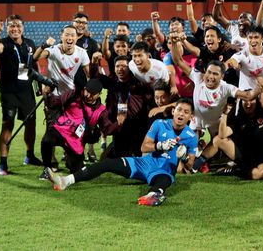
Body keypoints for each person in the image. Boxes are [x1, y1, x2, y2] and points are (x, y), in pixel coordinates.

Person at [47, 98, 199, 207]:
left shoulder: (191, 137)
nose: (181, 114)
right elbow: (144, 148)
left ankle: (153, 195)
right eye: (179, 109)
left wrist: (184, 156)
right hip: (143, 163)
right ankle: (65, 181)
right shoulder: (159, 124)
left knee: (164, 180)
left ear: (191, 117)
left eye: (186, 112)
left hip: (163, 171)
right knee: (107, 164)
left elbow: (190, 165)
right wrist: (160, 145)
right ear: (173, 111)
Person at [39, 78, 125, 179]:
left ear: (99, 94)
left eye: (93, 93)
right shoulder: (73, 95)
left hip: (76, 141)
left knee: (77, 172)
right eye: (87, 91)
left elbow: (107, 129)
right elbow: (55, 102)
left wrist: (119, 124)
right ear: (84, 89)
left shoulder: (101, 111)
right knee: (46, 140)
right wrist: (48, 95)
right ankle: (46, 170)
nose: (88, 95)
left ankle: (71, 161)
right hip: (61, 130)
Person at [0, 14, 42, 175]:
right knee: (8, 124)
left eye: (18, 25)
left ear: (23, 28)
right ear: (7, 28)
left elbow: (35, 64)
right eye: (11, 25)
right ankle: (3, 164)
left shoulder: (30, 43)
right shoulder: (3, 42)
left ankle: (30, 155)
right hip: (9, 91)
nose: (15, 28)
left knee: (31, 124)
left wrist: (38, 86)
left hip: (26, 91)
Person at [214, 97, 263, 180]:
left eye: (251, 100)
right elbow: (222, 135)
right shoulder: (238, 119)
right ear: (241, 102)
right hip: (244, 158)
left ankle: (236, 170)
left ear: (257, 102)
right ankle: (240, 166)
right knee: (217, 140)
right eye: (245, 100)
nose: (248, 103)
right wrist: (225, 114)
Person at [32, 25, 90, 95]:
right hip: (52, 93)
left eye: (72, 35)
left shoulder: (82, 52)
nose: (70, 38)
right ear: (61, 37)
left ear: (76, 38)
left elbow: (89, 75)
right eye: (67, 35)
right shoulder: (54, 50)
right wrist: (45, 45)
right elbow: (35, 57)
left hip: (70, 93)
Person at [225, 25, 263, 92]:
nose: (253, 40)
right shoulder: (242, 54)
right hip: (245, 94)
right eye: (250, 37)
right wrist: (227, 65)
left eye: (256, 37)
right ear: (247, 39)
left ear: (262, 39)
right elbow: (231, 61)